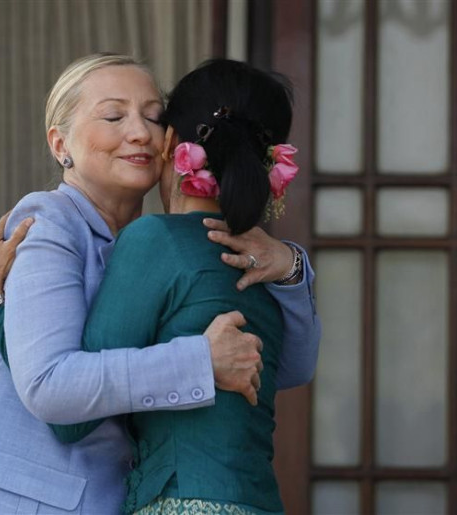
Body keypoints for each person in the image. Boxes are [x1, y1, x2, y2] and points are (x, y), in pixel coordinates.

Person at [0, 54, 320, 514]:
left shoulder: (166, 246)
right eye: (114, 115)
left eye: (154, 116)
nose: (140, 132)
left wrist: (290, 265)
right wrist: (199, 361)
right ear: (60, 144)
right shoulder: (49, 222)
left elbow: (281, 367)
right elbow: (49, 384)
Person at [48, 58, 299, 514]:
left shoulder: (156, 239)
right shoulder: (273, 268)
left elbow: (72, 419)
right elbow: (298, 368)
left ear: (170, 144)